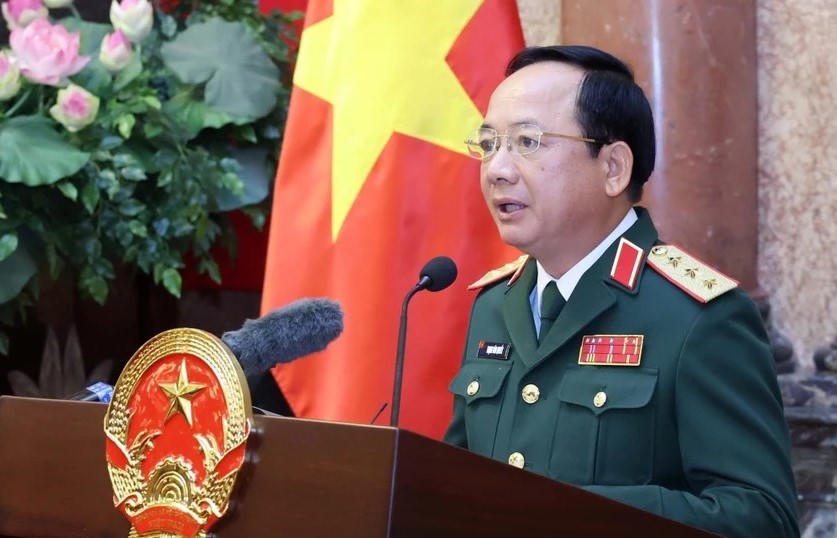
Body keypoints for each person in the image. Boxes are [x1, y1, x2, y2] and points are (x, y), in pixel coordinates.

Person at [444, 45, 798, 538]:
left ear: (613, 167)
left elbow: (762, 518)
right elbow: (456, 485)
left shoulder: (697, 317)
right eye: (488, 144)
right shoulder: (494, 305)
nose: (496, 169)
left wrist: (570, 513)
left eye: (527, 141)